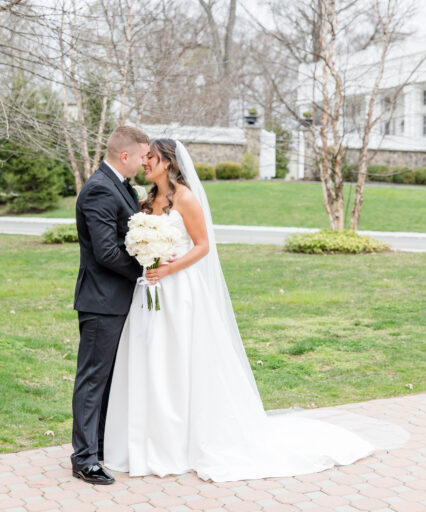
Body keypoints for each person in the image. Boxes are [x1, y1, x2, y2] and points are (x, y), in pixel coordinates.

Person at [103, 139, 374, 482]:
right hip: (149, 293)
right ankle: (148, 439)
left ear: (168, 162)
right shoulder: (145, 199)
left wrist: (167, 269)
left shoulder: (185, 197)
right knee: (151, 358)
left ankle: (181, 443)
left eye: (151, 158)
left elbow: (202, 246)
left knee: (179, 360)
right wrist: (146, 258)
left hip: (180, 292)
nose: (145, 163)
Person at [70, 126, 149, 485]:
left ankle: (99, 445)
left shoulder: (121, 186)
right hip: (101, 300)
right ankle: (84, 458)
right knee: (93, 378)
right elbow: (105, 252)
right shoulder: (100, 189)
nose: (145, 162)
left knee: (108, 378)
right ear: (125, 156)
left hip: (116, 298)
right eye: (143, 156)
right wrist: (146, 267)